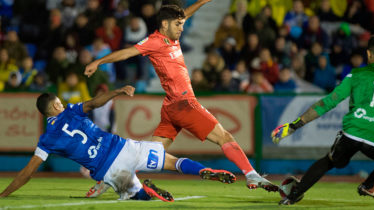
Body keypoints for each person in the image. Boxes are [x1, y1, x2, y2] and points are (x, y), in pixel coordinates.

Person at [85, 0, 278, 193]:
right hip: (183, 104)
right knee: (224, 136)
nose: (181, 28)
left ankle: (109, 179)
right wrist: (99, 61)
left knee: (150, 154)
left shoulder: (172, 34)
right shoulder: (154, 41)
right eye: (178, 24)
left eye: (182, 24)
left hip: (171, 107)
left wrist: (202, 1)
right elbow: (127, 53)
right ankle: (251, 174)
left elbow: (185, 14)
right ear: (164, 24)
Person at [0, 85, 236, 201]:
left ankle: (147, 192)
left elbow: (28, 172)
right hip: (123, 146)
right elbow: (94, 103)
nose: (62, 104)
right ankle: (202, 169)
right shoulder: (71, 111)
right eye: (59, 102)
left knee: (136, 197)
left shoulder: (46, 139)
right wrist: (117, 91)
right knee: (172, 162)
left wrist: (4, 194)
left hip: (108, 170)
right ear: (55, 107)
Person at [271, 34, 374, 205]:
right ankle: (369, 185)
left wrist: (295, 125)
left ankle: (292, 196)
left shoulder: (355, 74)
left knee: (329, 161)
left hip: (351, 134)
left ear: (368, 54)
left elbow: (328, 102)